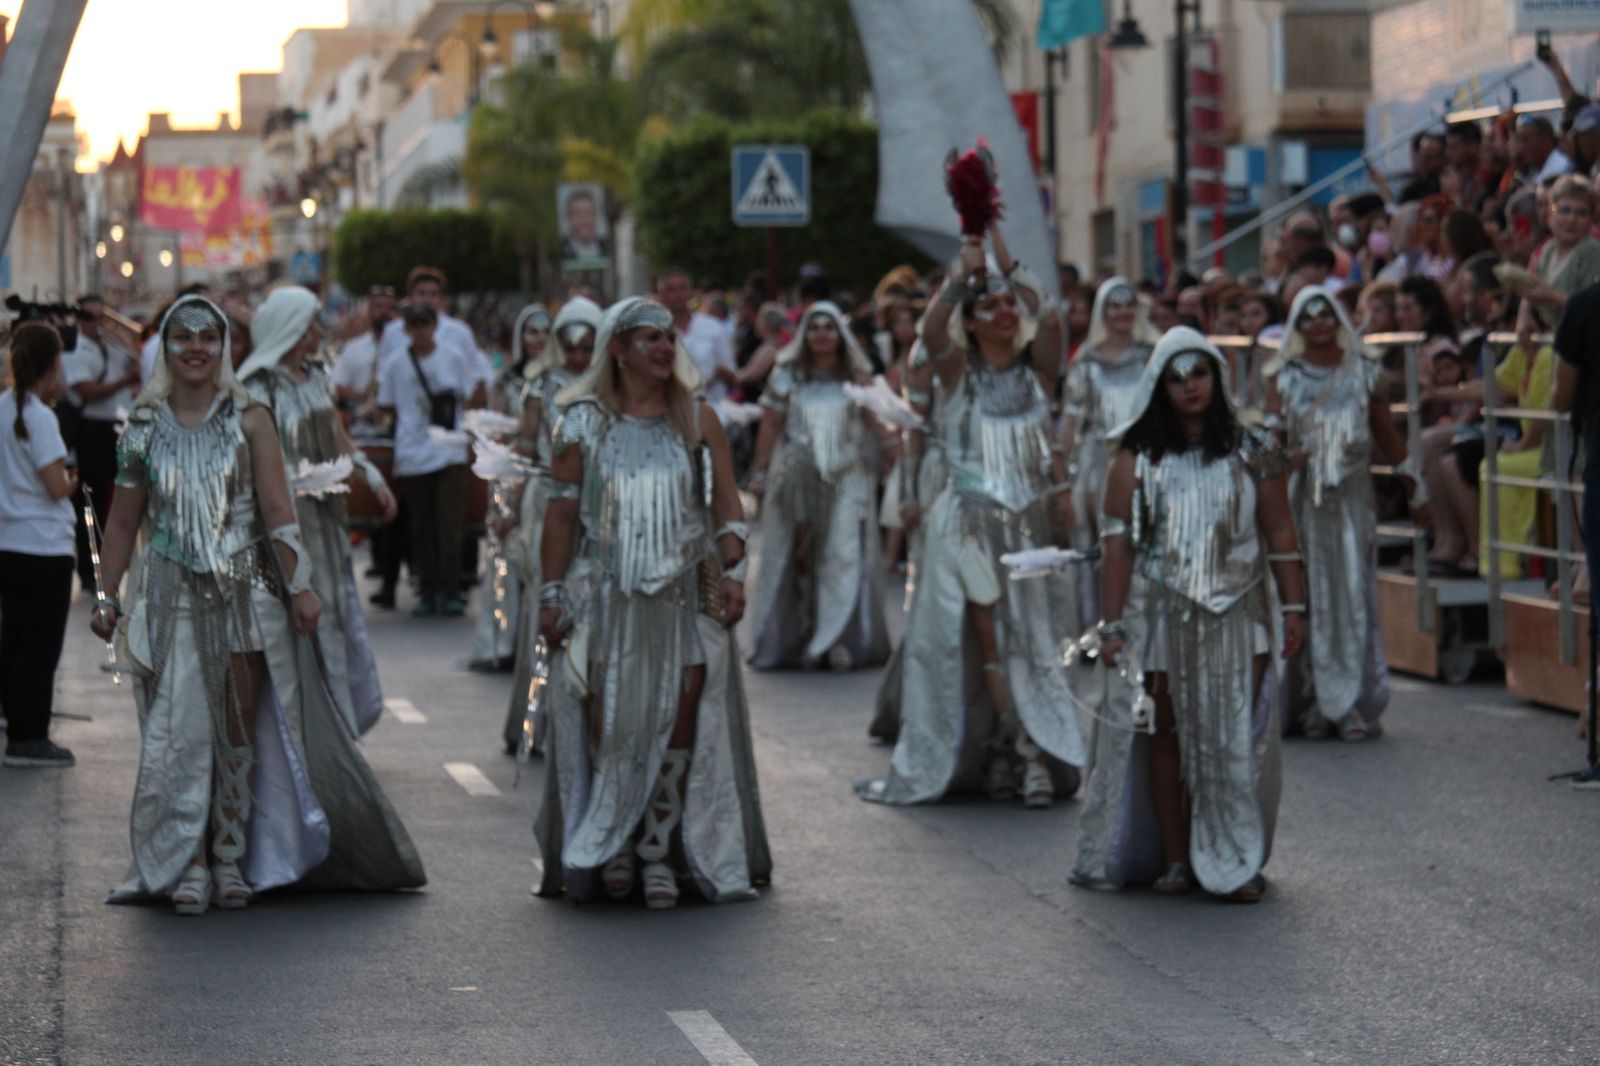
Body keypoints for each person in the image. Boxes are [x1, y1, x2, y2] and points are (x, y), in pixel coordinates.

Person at [91, 295, 424, 915]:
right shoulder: (141, 427)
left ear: (224, 349)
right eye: (183, 336)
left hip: (244, 593)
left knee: (235, 726)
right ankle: (185, 861)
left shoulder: (251, 418)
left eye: (208, 337)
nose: (196, 347)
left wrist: (300, 588)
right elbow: (121, 523)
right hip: (165, 596)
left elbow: (278, 512)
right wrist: (107, 594)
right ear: (166, 346)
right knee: (176, 731)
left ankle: (228, 852)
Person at [533, 298, 770, 908]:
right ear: (618, 349)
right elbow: (561, 518)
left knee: (679, 718)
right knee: (608, 721)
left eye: (669, 338)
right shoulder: (579, 423)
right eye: (649, 339)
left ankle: (657, 849)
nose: (665, 349)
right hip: (604, 595)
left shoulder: (697, 418)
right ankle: (614, 842)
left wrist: (735, 575)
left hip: (684, 592)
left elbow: (725, 508)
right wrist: (553, 593)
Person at [1070, 328, 1307, 901]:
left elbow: (1280, 530)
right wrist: (1112, 625)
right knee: (1166, 732)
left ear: (1217, 377)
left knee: (1234, 732)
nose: (1189, 387)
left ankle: (1235, 857)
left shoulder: (1256, 447)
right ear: (1159, 386)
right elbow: (1117, 543)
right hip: (1162, 612)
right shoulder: (1134, 453)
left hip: (1240, 610)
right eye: (1176, 379)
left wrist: (1295, 605)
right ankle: (1176, 860)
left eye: (1198, 373)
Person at [859, 220, 1085, 808]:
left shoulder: (1038, 374)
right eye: (992, 307)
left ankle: (1007, 751)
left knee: (1029, 639)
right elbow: (933, 327)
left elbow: (1054, 318)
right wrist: (966, 270)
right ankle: (1022, 750)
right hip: (965, 522)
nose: (1006, 312)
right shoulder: (958, 373)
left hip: (1028, 531)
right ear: (972, 321)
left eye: (1012, 305)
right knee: (987, 640)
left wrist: (1008, 262)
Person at [238, 286, 398, 736]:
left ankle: (336, 722)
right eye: (309, 323)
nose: (317, 331)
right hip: (280, 524)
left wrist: (369, 473)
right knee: (291, 622)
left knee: (332, 616)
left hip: (324, 517)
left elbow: (337, 439)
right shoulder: (257, 387)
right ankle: (294, 727)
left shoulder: (315, 377)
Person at [1266, 287, 1420, 741]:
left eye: (1325, 314)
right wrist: (1282, 459)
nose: (1317, 323)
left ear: (1338, 319)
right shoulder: (1283, 375)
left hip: (1352, 499)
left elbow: (1389, 438)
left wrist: (1419, 490)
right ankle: (1314, 702)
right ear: (1296, 324)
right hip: (1302, 502)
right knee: (1307, 598)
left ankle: (1351, 704)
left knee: (1352, 596)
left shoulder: (1367, 372)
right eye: (1307, 316)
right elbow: (1270, 444)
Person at [746, 301, 894, 672]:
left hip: (848, 477)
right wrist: (760, 472)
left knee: (842, 553)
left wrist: (900, 456)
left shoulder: (857, 377)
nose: (822, 334)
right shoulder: (787, 375)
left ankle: (839, 639)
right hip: (798, 476)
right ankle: (808, 634)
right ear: (804, 334)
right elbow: (769, 426)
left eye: (829, 327)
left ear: (840, 334)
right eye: (814, 327)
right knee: (800, 559)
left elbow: (878, 423)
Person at [497, 296, 603, 753]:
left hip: (600, 511)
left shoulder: (610, 389)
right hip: (548, 504)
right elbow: (524, 446)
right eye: (571, 347)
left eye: (588, 348)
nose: (579, 358)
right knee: (551, 607)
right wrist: (506, 506)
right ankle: (535, 723)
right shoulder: (540, 386)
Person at [1, 323, 78, 768]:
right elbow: (54, 486)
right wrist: (72, 480)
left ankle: (14, 715)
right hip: (44, 545)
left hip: (9, 541)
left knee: (13, 636)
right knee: (39, 645)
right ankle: (29, 736)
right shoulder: (40, 417)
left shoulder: (4, 408)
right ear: (50, 365)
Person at [378, 303, 478, 617]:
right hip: (413, 453)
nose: (419, 331)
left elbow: (467, 394)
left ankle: (449, 588)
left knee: (449, 523)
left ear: (435, 326)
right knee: (420, 526)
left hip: (449, 451)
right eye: (414, 324)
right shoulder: (395, 364)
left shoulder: (453, 357)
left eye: (425, 323)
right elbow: (388, 405)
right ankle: (428, 588)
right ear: (406, 329)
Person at [469, 304, 551, 672]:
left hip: (545, 478)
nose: (539, 339)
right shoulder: (506, 382)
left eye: (546, 331)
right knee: (503, 557)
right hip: (508, 474)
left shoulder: (559, 379)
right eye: (531, 331)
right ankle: (500, 641)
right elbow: (498, 427)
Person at [1060, 277, 1162, 555]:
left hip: (1147, 461)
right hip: (1098, 466)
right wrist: (1060, 481)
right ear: (1102, 312)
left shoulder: (1153, 356)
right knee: (1108, 544)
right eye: (1114, 306)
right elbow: (1070, 423)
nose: (1122, 312)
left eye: (1129, 305)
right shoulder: (1086, 362)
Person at [61, 295, 139, 592]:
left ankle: (113, 563)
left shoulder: (112, 346)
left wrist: (129, 339)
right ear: (80, 321)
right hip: (91, 429)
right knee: (90, 501)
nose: (98, 324)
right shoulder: (74, 352)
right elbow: (88, 391)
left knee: (117, 499)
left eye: (102, 317)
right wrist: (125, 380)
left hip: (117, 426)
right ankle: (89, 568)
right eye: (91, 318)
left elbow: (140, 360)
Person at [658, 269, 737, 405]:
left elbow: (730, 371)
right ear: (662, 295)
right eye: (671, 289)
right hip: (673, 407)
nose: (677, 295)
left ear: (690, 293)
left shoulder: (713, 326)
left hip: (712, 405)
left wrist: (714, 375)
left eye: (682, 289)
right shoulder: (655, 331)